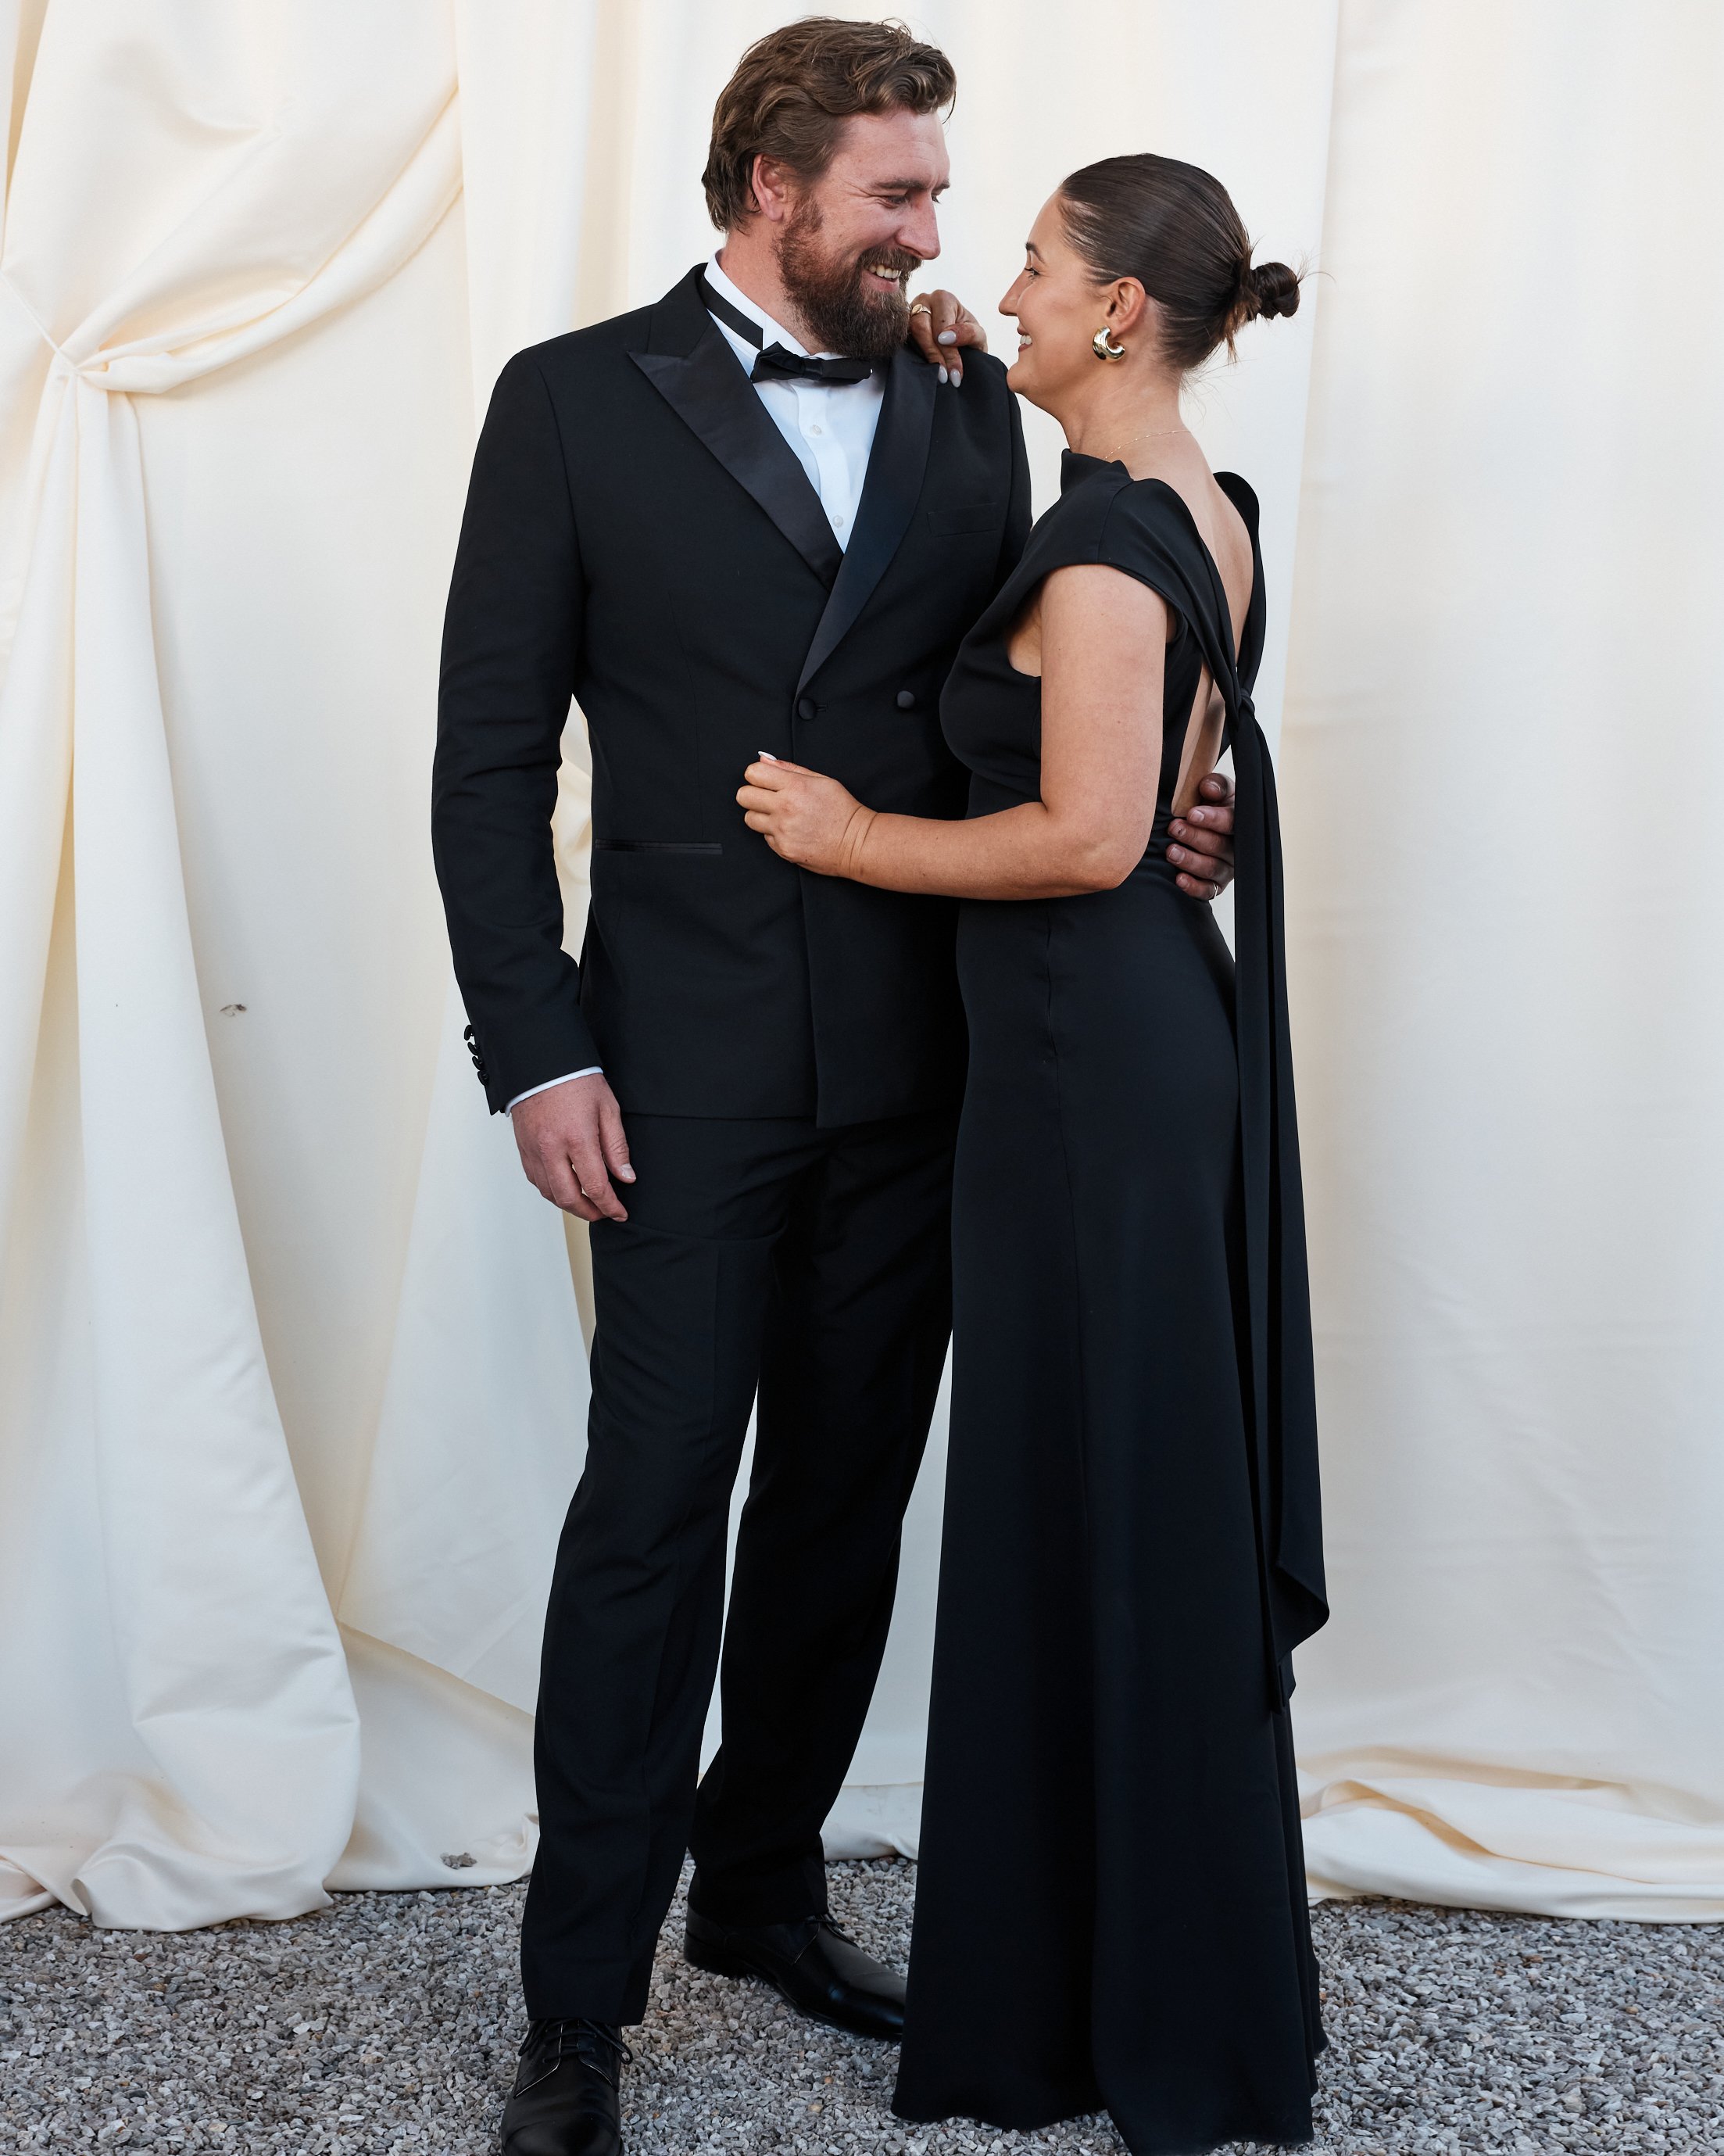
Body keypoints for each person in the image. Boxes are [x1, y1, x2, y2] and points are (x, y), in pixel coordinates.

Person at [432, 24, 1243, 2154]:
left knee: (835, 1512)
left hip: (925, 1070)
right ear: (771, 187)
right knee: (650, 1520)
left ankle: (760, 1888)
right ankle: (576, 2000)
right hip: (669, 1077)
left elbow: (1041, 688)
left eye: (940, 195)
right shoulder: (568, 400)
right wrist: (536, 1046)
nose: (931, 230)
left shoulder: (978, 403)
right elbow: (486, 763)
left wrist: (1164, 806)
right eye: (893, 194)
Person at [737, 154, 1329, 2153]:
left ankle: (1114, 2007)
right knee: (1125, 1508)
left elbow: (1085, 836)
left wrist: (849, 837)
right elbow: (1168, 800)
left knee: (1098, 1509)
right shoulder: (1202, 514)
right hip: (1135, 1050)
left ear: (1112, 314)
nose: (989, 278)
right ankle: (1149, 1979)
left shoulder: (1090, 559)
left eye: (1029, 263)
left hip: (1080, 1069)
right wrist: (946, 344)